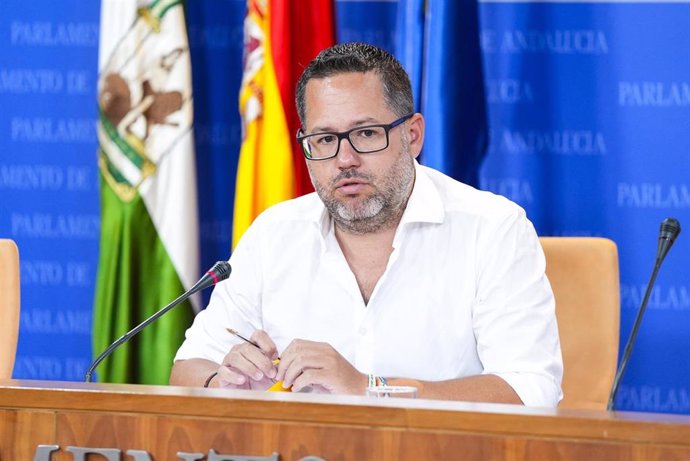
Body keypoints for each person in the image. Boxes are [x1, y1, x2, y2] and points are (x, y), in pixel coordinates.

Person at [170, 43, 563, 407]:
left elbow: (531, 390)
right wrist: (221, 382)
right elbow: (188, 367)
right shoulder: (274, 234)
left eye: (366, 134)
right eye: (324, 139)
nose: (344, 160)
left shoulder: (492, 229)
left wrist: (371, 387)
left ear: (413, 136)